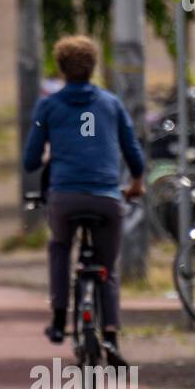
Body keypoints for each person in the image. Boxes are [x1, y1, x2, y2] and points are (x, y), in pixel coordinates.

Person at [23, 35, 145, 367]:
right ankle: (110, 334)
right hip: (107, 198)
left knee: (60, 247)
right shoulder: (111, 104)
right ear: (92, 67)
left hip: (65, 198)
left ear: (60, 68)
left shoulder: (47, 106)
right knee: (107, 267)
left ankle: (60, 318)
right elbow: (134, 152)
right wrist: (136, 183)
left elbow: (30, 160)